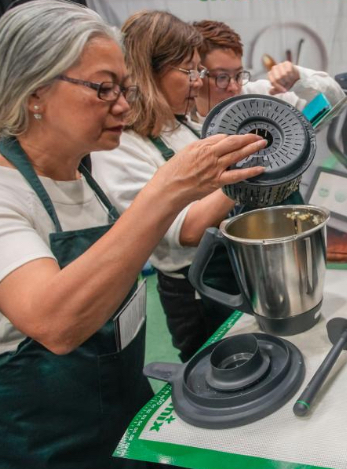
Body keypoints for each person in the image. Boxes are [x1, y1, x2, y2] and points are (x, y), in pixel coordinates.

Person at [0, 2, 265, 469]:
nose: (123, 105)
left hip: (112, 409)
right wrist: (167, 190)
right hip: (28, 440)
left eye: (126, 88)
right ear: (35, 91)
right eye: (103, 89)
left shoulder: (82, 176)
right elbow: (55, 321)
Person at [92, 11, 246, 363]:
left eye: (199, 72)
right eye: (189, 71)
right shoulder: (122, 148)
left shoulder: (184, 127)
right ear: (150, 70)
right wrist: (244, 173)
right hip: (195, 290)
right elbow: (188, 230)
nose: (197, 82)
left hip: (232, 271)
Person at [191, 20, 345, 118]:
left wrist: (300, 78)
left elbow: (336, 104)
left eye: (238, 75)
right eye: (222, 77)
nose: (234, 87)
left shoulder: (265, 97)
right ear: (196, 75)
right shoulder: (180, 128)